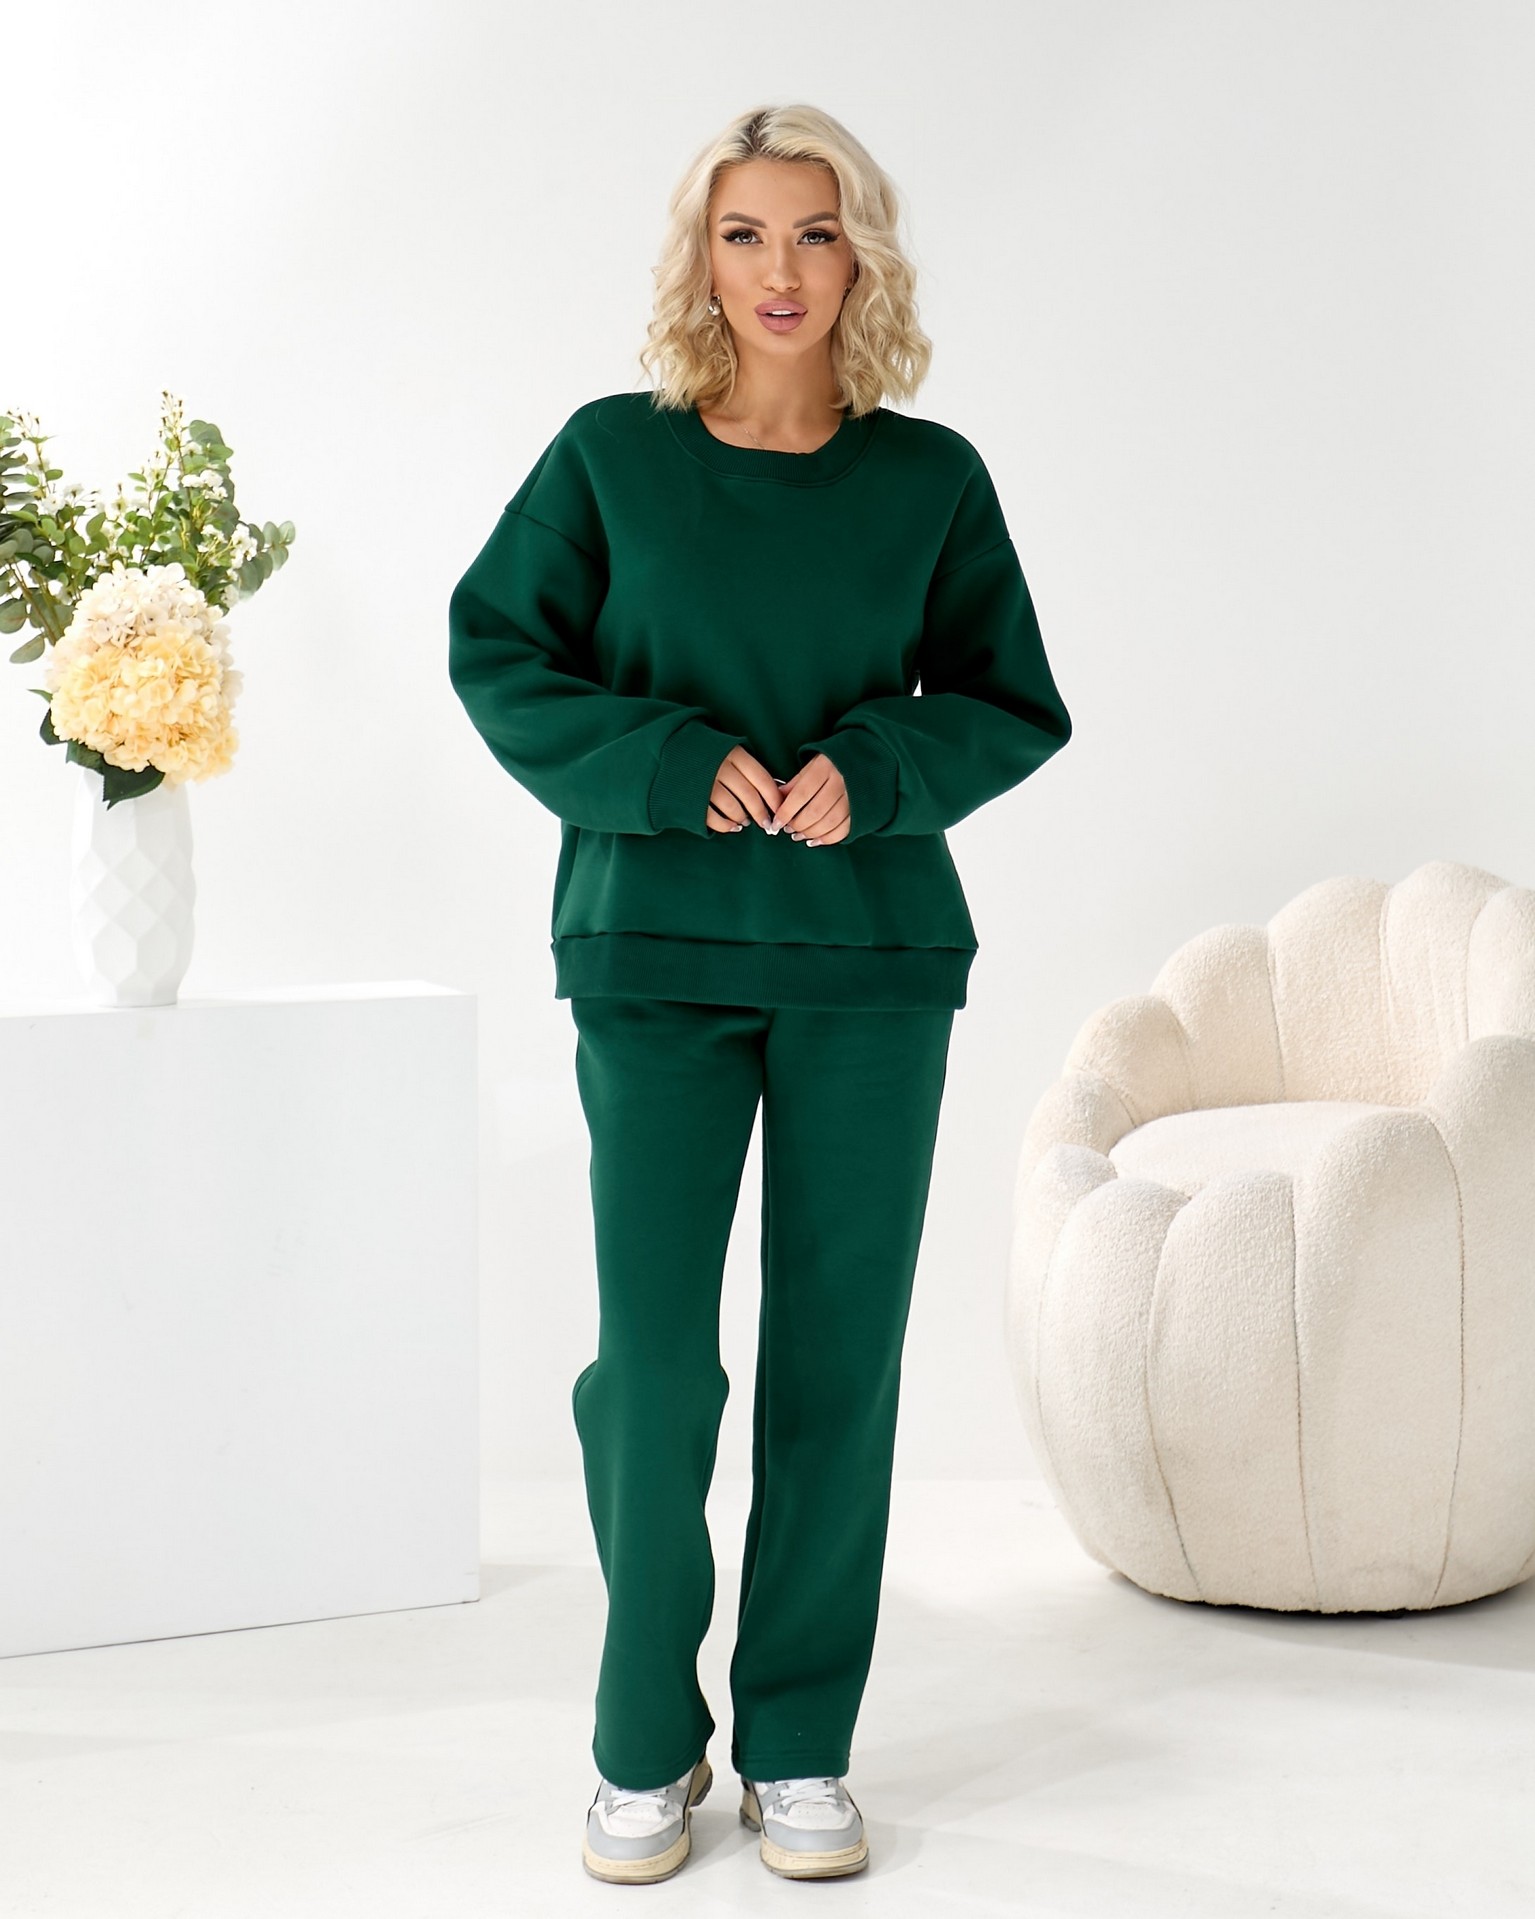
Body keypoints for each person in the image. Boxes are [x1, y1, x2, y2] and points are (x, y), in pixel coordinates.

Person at [447, 101, 1072, 1886]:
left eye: (814, 231)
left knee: (836, 1365)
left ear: (859, 254)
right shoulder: (610, 457)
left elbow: (1011, 700)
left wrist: (875, 771)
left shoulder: (930, 479)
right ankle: (643, 1742)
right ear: (700, 256)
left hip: (872, 967)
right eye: (744, 233)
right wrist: (666, 761)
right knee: (654, 1369)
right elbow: (498, 650)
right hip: (651, 957)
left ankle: (799, 1744)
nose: (780, 270)